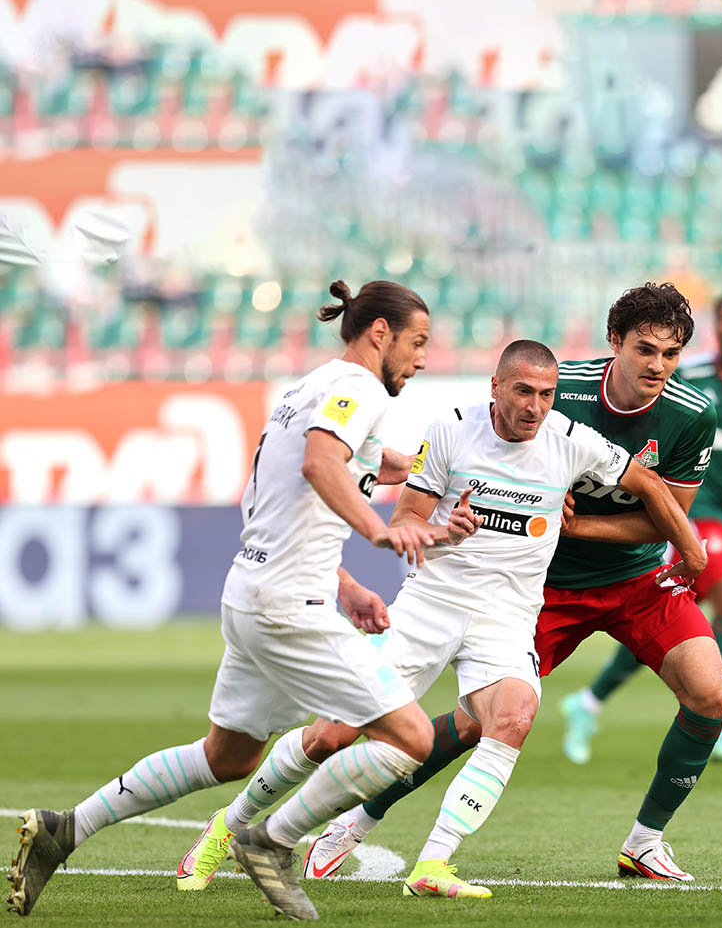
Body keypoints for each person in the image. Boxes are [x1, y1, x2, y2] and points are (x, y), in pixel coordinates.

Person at [7, 279, 469, 919]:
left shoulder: (305, 390)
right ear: (380, 333)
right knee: (413, 737)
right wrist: (381, 531)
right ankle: (271, 841)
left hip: (254, 592)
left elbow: (319, 481)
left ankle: (66, 829)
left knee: (227, 757)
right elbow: (319, 464)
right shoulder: (357, 388)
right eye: (417, 343)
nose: (421, 359)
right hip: (288, 609)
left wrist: (347, 581)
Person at [205, 337, 707, 914]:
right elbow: (407, 517)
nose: (535, 407)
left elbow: (649, 485)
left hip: (505, 617)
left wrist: (691, 552)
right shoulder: (450, 429)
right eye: (523, 392)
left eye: (546, 395)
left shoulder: (571, 439)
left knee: (513, 714)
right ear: (496, 387)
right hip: (430, 604)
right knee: (330, 736)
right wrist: (446, 529)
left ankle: (434, 864)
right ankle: (231, 823)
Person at [308, 281, 722, 887]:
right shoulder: (560, 391)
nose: (658, 366)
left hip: (636, 576)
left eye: (671, 354)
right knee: (480, 721)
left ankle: (645, 843)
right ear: (615, 342)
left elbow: (666, 514)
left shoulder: (693, 414)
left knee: (711, 694)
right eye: (645, 349)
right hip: (545, 584)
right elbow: (481, 450)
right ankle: (354, 821)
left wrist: (579, 523)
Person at [561, 289, 722, 764]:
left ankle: (589, 701)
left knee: (668, 628)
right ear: (716, 325)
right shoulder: (687, 377)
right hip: (693, 511)